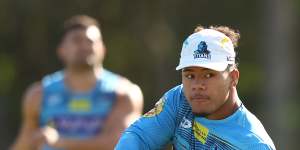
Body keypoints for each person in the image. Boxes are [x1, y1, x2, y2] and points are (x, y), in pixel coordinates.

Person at [115, 25, 276, 149]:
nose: (197, 85)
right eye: (190, 75)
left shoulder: (254, 144)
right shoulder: (178, 100)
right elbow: (138, 137)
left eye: (208, 75)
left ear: (233, 78)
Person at [11, 15, 143, 150]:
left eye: (91, 41)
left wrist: (60, 142)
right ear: (61, 50)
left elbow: (123, 143)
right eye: (77, 40)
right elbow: (24, 143)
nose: (85, 46)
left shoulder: (124, 93)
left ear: (103, 49)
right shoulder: (38, 94)